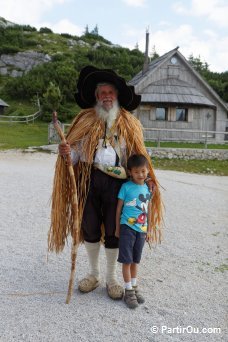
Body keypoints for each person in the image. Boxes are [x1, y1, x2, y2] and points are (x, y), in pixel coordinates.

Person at [48, 65, 163, 301]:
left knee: (113, 230)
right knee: (89, 226)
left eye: (111, 92)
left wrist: (147, 178)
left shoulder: (128, 123)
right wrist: (67, 153)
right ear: (96, 97)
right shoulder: (85, 120)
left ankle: (111, 278)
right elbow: (77, 155)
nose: (107, 96)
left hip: (118, 185)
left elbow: (137, 155)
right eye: (102, 93)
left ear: (117, 96)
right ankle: (93, 273)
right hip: (89, 181)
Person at [115, 154, 153, 308]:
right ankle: (128, 290)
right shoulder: (126, 187)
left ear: (148, 170)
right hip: (127, 228)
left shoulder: (147, 188)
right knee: (127, 260)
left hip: (141, 230)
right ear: (130, 172)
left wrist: (148, 229)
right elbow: (118, 209)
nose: (140, 175)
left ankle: (134, 287)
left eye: (143, 171)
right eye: (137, 172)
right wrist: (117, 228)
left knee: (136, 260)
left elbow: (149, 209)